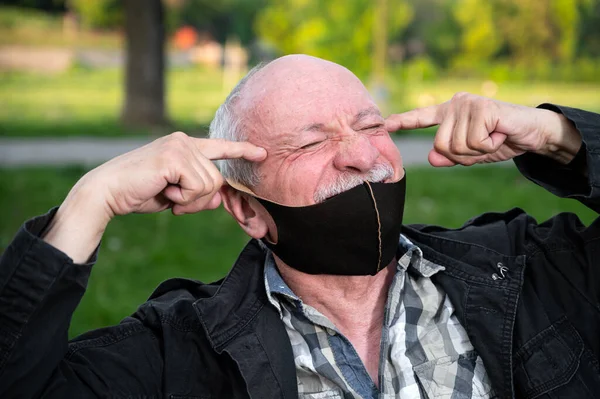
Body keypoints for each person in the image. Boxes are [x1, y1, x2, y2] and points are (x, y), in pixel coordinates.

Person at [1, 54, 599, 399]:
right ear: (248, 210)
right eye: (311, 141)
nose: (363, 158)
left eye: (370, 127)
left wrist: (560, 137)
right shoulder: (178, 356)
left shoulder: (530, 272)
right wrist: (89, 202)